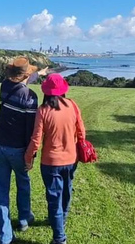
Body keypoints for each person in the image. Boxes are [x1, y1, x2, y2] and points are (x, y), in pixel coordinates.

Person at [0, 57, 46, 244]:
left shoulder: (5, 86)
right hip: (18, 148)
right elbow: (31, 128)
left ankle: (5, 236)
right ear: (26, 75)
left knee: (0, 190)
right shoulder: (31, 97)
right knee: (23, 183)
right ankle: (24, 219)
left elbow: (22, 81)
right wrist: (31, 154)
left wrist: (39, 73)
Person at [25, 73, 86, 244]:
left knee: (54, 198)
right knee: (66, 190)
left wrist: (28, 158)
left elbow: (36, 139)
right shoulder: (73, 105)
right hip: (71, 159)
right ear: (63, 91)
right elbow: (81, 131)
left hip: (50, 162)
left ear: (46, 92)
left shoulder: (43, 111)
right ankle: (62, 219)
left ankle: (59, 238)